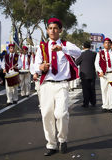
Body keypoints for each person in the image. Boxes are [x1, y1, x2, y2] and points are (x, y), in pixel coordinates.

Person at [34, 17, 81, 156]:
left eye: (55, 28)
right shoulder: (42, 46)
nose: (52, 31)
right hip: (46, 85)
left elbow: (78, 52)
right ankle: (51, 144)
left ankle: (63, 139)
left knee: (61, 114)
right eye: (50, 28)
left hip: (61, 85)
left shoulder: (66, 44)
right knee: (47, 115)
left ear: (60, 30)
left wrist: (63, 49)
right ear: (47, 31)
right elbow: (35, 65)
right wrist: (40, 67)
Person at [94, 38, 112, 113]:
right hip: (104, 75)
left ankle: (111, 106)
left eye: (109, 43)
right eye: (105, 43)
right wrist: (100, 71)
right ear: (103, 44)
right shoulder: (100, 53)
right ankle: (105, 106)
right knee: (104, 90)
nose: (107, 44)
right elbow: (96, 63)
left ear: (111, 44)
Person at [76, 41, 96, 108]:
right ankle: (93, 102)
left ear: (83, 47)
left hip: (84, 75)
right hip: (92, 74)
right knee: (92, 88)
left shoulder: (82, 54)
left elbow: (76, 63)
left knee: (85, 89)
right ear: (90, 47)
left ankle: (86, 103)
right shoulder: (94, 54)